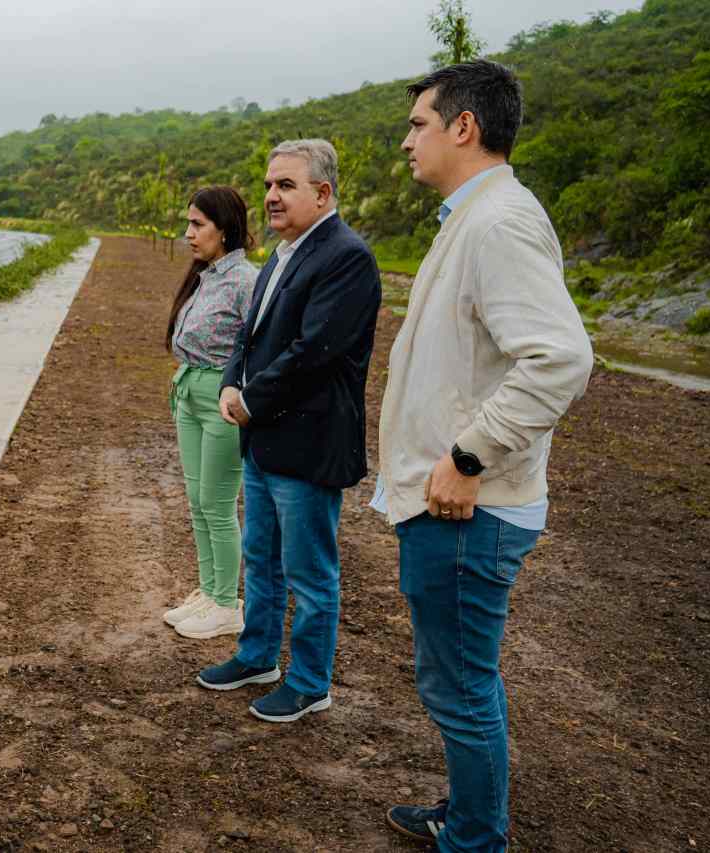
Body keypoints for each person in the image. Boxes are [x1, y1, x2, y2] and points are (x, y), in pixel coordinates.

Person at [378, 61, 593, 852]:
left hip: (468, 507)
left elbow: (560, 358)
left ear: (463, 127)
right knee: (459, 678)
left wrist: (468, 456)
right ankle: (467, 814)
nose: (407, 141)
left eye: (418, 124)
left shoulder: (499, 220)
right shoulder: (475, 217)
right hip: (456, 505)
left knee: (461, 684)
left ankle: (475, 837)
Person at [195, 140, 382, 724]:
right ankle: (256, 657)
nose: (271, 196)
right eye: (270, 185)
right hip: (265, 439)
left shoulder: (346, 257)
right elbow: (248, 337)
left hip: (308, 442)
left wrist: (250, 398)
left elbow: (314, 353)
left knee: (310, 570)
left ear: (323, 193)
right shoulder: (280, 256)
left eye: (287, 186)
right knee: (261, 558)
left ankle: (308, 681)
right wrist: (230, 381)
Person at [162, 186, 257, 640]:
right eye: (189, 224)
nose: (189, 234)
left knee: (218, 505)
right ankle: (209, 589)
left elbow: (258, 346)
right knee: (197, 500)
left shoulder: (245, 280)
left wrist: (240, 393)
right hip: (189, 389)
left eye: (198, 224)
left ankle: (225, 604)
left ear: (226, 228)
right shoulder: (207, 275)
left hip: (221, 394)